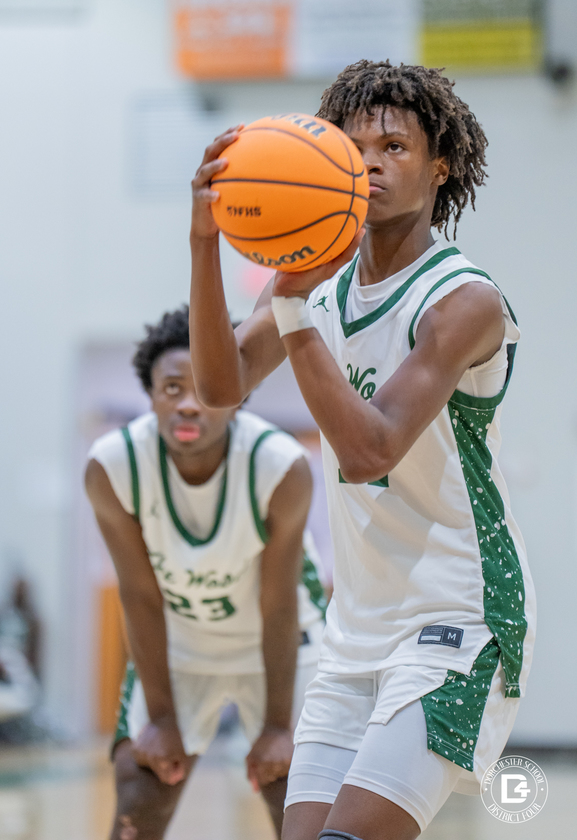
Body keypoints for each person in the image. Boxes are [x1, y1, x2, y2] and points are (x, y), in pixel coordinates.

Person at [189, 60, 536, 840]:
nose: (370, 163)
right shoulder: (320, 280)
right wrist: (202, 241)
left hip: (459, 615)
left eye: (393, 147)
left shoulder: (461, 299)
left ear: (438, 167)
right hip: (358, 626)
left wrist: (291, 304)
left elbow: (370, 448)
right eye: (352, 147)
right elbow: (220, 387)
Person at [85, 307, 325, 840]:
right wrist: (165, 720)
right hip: (182, 644)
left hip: (283, 643)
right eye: (171, 387)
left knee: (297, 793)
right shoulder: (113, 464)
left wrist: (279, 728)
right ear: (149, 396)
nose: (188, 402)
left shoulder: (278, 464)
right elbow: (139, 597)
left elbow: (280, 604)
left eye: (203, 386)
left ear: (236, 394)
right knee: (139, 785)